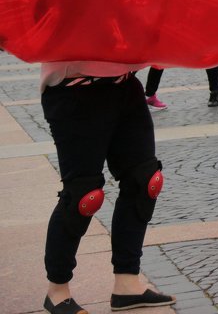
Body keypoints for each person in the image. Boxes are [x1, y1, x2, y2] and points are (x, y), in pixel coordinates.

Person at [40, 62, 176, 314]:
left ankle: (127, 285)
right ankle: (57, 291)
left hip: (125, 83)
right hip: (74, 89)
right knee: (84, 195)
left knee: (145, 180)